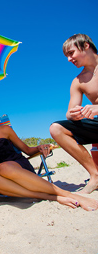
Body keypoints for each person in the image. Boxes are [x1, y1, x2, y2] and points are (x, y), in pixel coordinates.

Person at [0, 99, 98, 211]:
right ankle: (53, 197)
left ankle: (66, 194)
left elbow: (27, 150)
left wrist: (39, 147)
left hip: (17, 167)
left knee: (4, 167)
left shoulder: (5, 129)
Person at [50, 34, 98, 194]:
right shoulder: (78, 81)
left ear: (85, 46)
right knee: (56, 128)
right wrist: (73, 114)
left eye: (71, 53)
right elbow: (70, 112)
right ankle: (95, 175)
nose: (69, 59)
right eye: (67, 56)